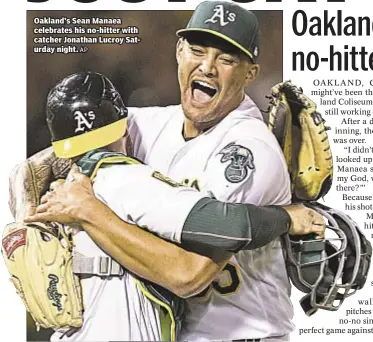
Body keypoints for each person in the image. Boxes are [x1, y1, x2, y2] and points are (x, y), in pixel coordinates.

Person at [22, 2, 324, 341]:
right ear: (179, 51)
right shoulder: (146, 124)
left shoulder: (249, 150)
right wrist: (30, 198)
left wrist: (88, 211)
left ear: (249, 73)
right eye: (197, 50)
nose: (207, 67)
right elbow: (48, 161)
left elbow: (189, 276)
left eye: (225, 59)